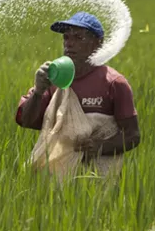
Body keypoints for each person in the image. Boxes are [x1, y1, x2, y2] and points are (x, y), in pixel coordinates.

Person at [16, 12, 141, 166]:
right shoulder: (54, 79)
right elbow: (26, 121)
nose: (69, 43)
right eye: (66, 38)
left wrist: (99, 146)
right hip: (55, 177)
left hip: (99, 177)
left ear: (98, 44)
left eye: (78, 38)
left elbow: (132, 135)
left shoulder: (114, 83)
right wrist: (38, 92)